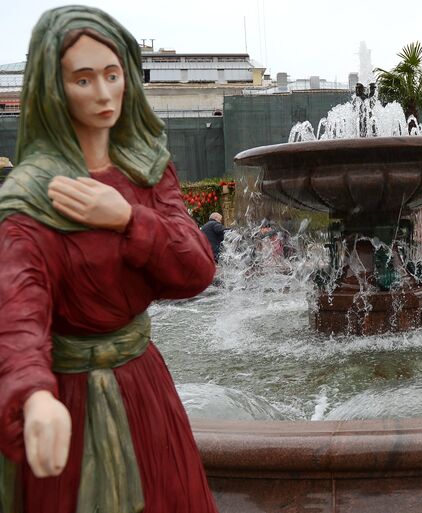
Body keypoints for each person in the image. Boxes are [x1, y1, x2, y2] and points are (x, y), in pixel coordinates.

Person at [0, 7, 218, 512]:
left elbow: (197, 271)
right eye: (83, 78)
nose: (103, 93)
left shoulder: (147, 170)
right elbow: (16, 315)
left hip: (145, 389)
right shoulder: (32, 194)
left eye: (112, 74)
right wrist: (33, 397)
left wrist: (128, 219)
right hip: (68, 397)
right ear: (54, 90)